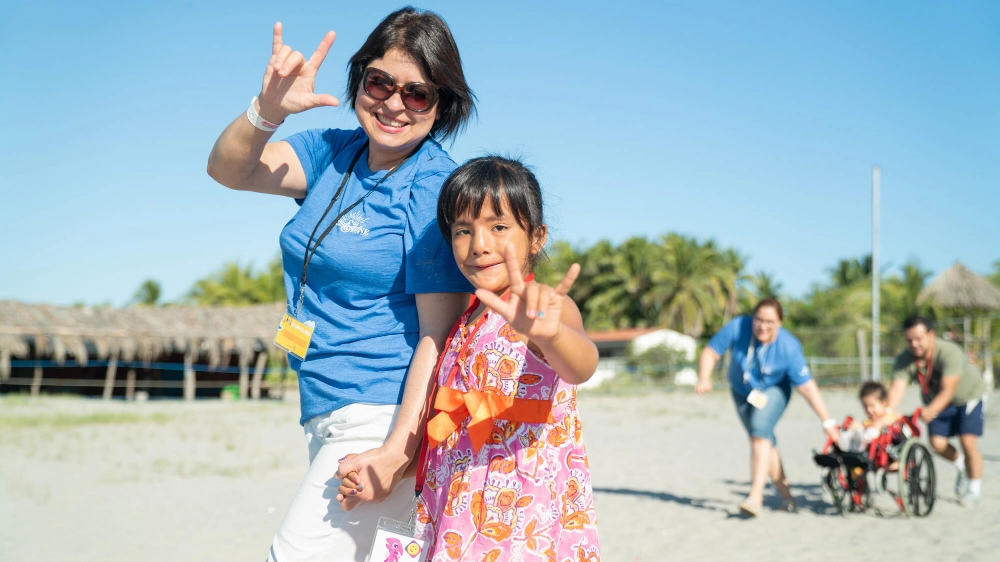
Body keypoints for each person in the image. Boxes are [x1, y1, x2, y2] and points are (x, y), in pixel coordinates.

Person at [206, 8, 476, 561]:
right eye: (381, 82)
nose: (394, 104)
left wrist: (398, 452)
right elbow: (229, 171)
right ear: (360, 80)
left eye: (418, 94)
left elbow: (437, 334)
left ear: (442, 105)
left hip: (380, 412)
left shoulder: (431, 189)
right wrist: (266, 111)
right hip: (324, 404)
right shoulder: (333, 151)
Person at [342, 156, 601, 560]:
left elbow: (581, 364)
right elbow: (455, 434)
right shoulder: (464, 324)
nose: (479, 244)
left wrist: (548, 334)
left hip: (519, 516)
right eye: (463, 230)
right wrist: (390, 474)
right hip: (455, 512)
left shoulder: (545, 308)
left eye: (499, 227)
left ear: (536, 237)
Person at [694, 298, 840, 517]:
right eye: (759, 320)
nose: (763, 326)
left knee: (759, 433)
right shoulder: (738, 326)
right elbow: (710, 352)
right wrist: (704, 377)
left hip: (775, 390)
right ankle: (787, 497)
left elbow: (808, 388)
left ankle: (755, 497)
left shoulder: (789, 348)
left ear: (780, 323)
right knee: (763, 440)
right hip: (742, 391)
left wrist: (827, 421)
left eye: (770, 322)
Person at [887, 316, 988, 506]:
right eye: (909, 340)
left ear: (931, 335)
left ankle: (973, 489)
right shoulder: (905, 359)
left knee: (968, 442)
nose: (914, 344)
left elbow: (948, 389)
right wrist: (886, 414)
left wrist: (930, 410)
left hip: (968, 398)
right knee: (937, 444)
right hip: (935, 401)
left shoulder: (949, 351)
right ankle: (961, 466)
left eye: (919, 338)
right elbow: (896, 389)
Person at [840, 381, 901, 458]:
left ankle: (863, 442)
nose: (868, 410)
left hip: (882, 444)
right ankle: (846, 439)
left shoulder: (888, 414)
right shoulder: (869, 421)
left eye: (872, 406)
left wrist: (890, 420)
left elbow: (898, 418)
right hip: (864, 435)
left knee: (878, 423)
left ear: (883, 403)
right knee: (855, 423)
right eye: (865, 407)